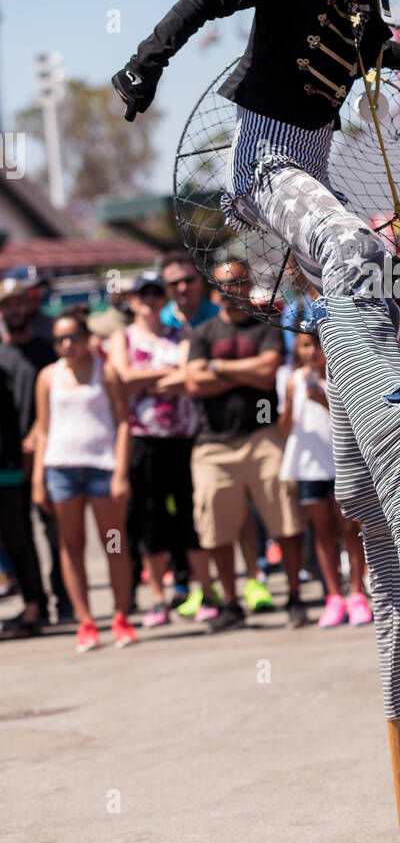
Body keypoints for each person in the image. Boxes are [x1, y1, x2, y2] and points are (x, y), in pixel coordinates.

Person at [114, 0, 400, 726]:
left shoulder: (363, 14)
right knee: (352, 247)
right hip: (265, 162)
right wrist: (145, 63)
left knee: (371, 270)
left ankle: (364, 449)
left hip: (313, 162)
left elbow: (366, 50)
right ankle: (388, 407)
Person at [184, 260, 304, 632]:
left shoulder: (264, 323)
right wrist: (241, 372)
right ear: (213, 289)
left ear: (249, 283)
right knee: (216, 527)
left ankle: (296, 596)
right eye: (223, 284)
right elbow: (193, 383)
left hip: (262, 432)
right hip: (214, 443)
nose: (230, 289)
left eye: (237, 282)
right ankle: (231, 603)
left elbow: (268, 371)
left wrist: (217, 368)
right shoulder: (202, 332)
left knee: (284, 518)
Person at [31, 309, 135, 652]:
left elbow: (123, 422)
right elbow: (43, 429)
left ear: (86, 338)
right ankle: (86, 622)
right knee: (71, 546)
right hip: (61, 469)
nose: (66, 345)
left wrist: (120, 472)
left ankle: (121, 617)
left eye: (72, 337)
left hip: (102, 469)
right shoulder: (48, 377)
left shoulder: (106, 373)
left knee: (114, 543)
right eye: (59, 338)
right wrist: (38, 478)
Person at [107, 271, 205, 628]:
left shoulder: (180, 333)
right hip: (143, 438)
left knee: (188, 513)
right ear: (133, 300)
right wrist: (166, 377)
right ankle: (159, 598)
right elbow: (124, 377)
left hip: (182, 436)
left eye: (154, 294)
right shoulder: (123, 337)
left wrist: (147, 380)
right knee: (149, 519)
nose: (148, 300)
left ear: (163, 299)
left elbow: (191, 373)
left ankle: (202, 590)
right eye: (142, 294)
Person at [278, 332, 372, 628]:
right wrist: (292, 402)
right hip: (310, 467)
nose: (313, 351)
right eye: (306, 345)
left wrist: (324, 400)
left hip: (341, 463)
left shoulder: (341, 376)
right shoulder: (290, 379)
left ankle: (357, 593)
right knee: (322, 533)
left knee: (349, 528)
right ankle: (334, 596)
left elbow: (351, 419)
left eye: (318, 344)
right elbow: (283, 428)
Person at [0, 276, 71, 622]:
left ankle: (67, 601)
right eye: (6, 305)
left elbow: (58, 400)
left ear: (28, 305)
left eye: (18, 303)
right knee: (18, 538)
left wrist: (35, 438)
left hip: (50, 454)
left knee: (57, 534)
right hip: (10, 463)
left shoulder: (47, 350)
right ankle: (35, 604)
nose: (13, 310)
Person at [160, 251, 220, 331]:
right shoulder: (159, 319)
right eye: (174, 283)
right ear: (165, 286)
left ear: (201, 279)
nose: (182, 288)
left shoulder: (220, 315)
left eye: (188, 280)